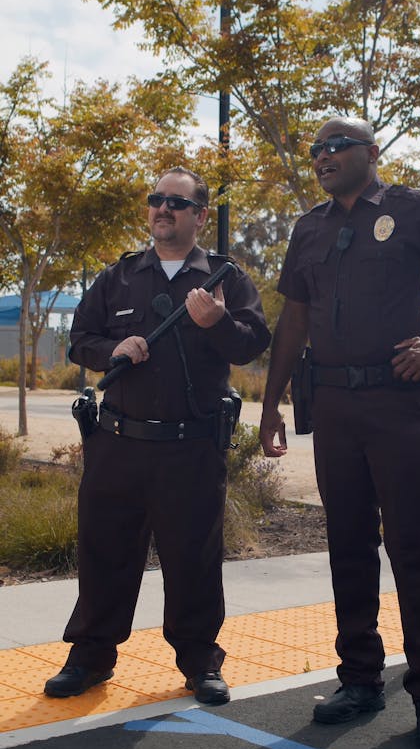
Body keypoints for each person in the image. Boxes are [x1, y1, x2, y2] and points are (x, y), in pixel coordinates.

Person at [260, 116, 420, 749]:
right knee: (347, 545)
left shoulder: (411, 209)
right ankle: (360, 679)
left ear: (370, 152)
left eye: (336, 146)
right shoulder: (310, 227)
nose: (322, 156)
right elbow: (294, 318)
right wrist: (271, 403)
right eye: (315, 149)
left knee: (412, 546)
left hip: (396, 401)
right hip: (333, 403)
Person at [44, 166, 270, 705]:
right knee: (104, 554)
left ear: (198, 214)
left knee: (193, 558)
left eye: (176, 201)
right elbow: (81, 340)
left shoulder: (224, 279)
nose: (162, 209)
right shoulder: (118, 277)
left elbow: (252, 344)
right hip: (118, 445)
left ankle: (199, 660)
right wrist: (112, 351)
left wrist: (217, 323)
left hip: (191, 448)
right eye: (155, 200)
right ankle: (91, 656)